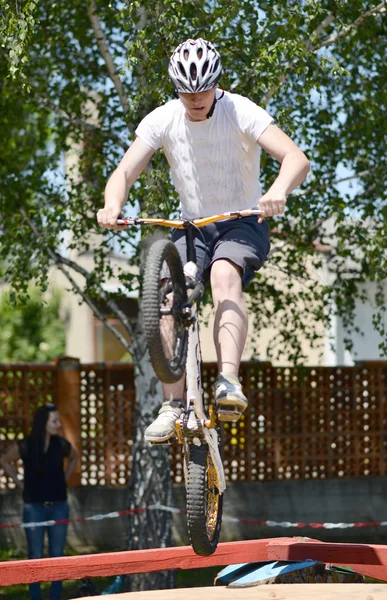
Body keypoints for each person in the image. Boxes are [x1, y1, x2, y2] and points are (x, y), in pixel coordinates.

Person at [97, 38, 310, 443]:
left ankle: (228, 381)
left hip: (242, 220)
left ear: (216, 83)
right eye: (186, 92)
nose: (195, 99)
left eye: (202, 90)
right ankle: (172, 405)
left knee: (223, 275)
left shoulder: (240, 110)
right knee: (164, 297)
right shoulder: (162, 119)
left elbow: (296, 159)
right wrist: (112, 204)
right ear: (176, 89)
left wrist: (278, 190)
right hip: (191, 227)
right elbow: (123, 173)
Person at [0, 404, 78, 600]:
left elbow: (75, 457)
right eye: (54, 421)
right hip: (34, 508)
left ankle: (55, 596)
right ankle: (35, 596)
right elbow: (5, 461)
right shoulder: (26, 445)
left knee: (57, 555)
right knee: (35, 555)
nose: (59, 425)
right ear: (43, 423)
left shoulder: (60, 444)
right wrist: (20, 484)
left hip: (59, 506)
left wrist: (65, 479)